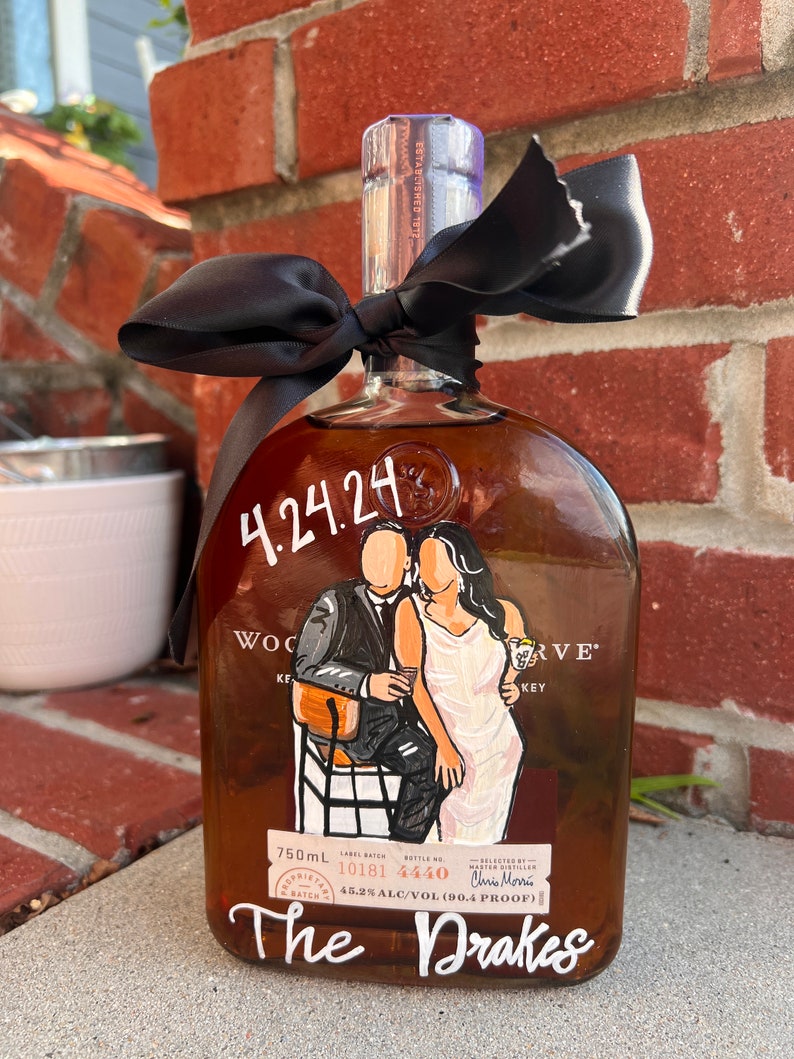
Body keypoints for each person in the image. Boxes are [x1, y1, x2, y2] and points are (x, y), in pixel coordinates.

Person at [291, 520, 445, 842]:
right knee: (428, 763)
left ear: (407, 562)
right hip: (355, 728)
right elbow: (306, 665)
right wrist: (365, 683)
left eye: (389, 553)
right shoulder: (335, 601)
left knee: (449, 753)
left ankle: (410, 843)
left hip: (406, 718)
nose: (378, 562)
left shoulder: (415, 604)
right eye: (371, 552)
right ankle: (404, 845)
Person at [395, 522, 528, 844]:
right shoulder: (411, 610)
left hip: (499, 743)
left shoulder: (504, 613)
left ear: (461, 564)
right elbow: (414, 686)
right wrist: (443, 745)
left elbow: (516, 661)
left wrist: (513, 684)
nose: (427, 570)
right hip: (448, 736)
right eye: (423, 560)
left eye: (436, 560)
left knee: (484, 841)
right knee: (444, 833)